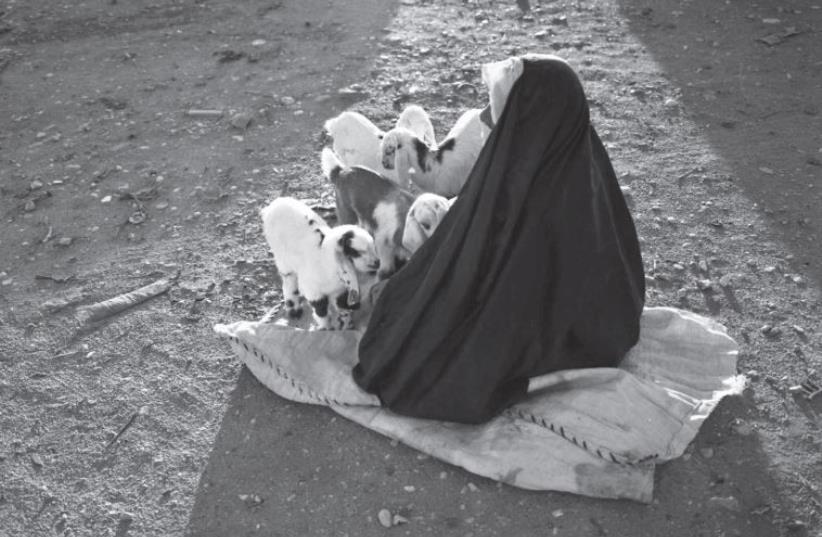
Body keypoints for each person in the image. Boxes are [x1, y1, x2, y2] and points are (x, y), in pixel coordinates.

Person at [352, 55, 646, 424]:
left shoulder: (525, 182)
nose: (490, 119)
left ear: (531, 114)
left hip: (558, 326)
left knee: (424, 347)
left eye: (505, 108)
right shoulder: (575, 155)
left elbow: (494, 265)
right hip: (608, 322)